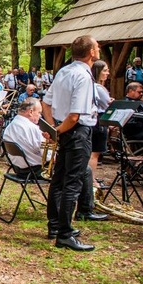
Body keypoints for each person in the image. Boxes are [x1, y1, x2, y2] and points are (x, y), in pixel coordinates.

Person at [3, 98, 107, 227]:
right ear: (30, 112)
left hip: (18, 168)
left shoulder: (12, 124)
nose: (40, 116)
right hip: (34, 170)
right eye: (39, 113)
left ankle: (84, 209)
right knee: (85, 170)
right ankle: (84, 210)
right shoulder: (32, 128)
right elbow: (47, 156)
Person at [42, 35, 100, 252]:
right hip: (76, 132)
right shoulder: (83, 76)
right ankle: (65, 234)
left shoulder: (63, 72)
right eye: (97, 46)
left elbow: (46, 103)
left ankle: (55, 226)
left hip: (64, 130)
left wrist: (53, 128)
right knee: (72, 183)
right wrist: (57, 130)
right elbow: (75, 116)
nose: (99, 48)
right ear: (91, 52)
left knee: (58, 180)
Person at [89, 60, 113, 189]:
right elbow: (106, 103)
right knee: (95, 153)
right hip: (99, 120)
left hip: (95, 120)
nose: (107, 73)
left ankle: (90, 178)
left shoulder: (91, 86)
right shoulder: (98, 87)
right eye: (105, 70)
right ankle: (91, 181)